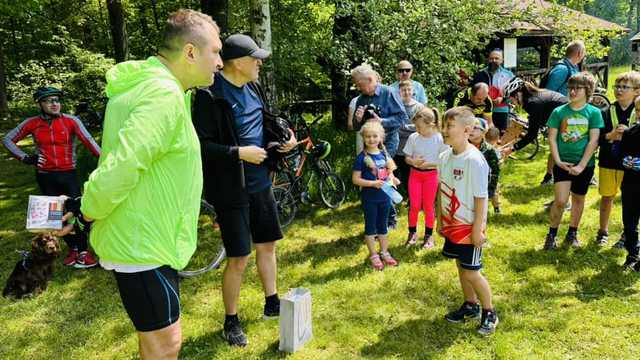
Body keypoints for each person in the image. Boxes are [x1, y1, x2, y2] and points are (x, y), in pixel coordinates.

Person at [58, 9, 223, 359]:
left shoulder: (158, 88)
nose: (220, 62)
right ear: (190, 52)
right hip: (141, 243)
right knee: (166, 345)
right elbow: (122, 165)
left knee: (154, 341)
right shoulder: (162, 95)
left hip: (148, 237)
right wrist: (84, 210)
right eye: (216, 52)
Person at [192, 34, 298, 347]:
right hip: (231, 189)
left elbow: (261, 125)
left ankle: (272, 301)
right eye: (255, 59)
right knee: (239, 257)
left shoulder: (253, 88)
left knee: (268, 246)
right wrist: (240, 153)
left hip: (261, 183)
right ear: (237, 62)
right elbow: (202, 146)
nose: (259, 64)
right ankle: (231, 321)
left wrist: (280, 143)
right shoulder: (210, 96)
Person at [3, 86, 101, 268]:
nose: (55, 104)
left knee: (76, 212)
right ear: (40, 104)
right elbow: (8, 139)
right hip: (45, 176)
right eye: (49, 101)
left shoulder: (71, 121)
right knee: (55, 216)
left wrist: (106, 161)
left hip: (68, 174)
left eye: (57, 100)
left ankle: (83, 252)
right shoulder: (32, 123)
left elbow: (90, 141)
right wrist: (24, 157)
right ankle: (72, 249)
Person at [437, 106, 497, 336]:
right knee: (461, 266)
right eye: (444, 125)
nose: (444, 130)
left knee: (472, 271)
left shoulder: (474, 160)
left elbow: (481, 198)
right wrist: (441, 220)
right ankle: (470, 305)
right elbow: (441, 191)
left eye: (449, 126)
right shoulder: (444, 157)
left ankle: (489, 312)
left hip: (469, 227)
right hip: (451, 224)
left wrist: (478, 229)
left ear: (467, 130)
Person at [543, 72, 603, 250]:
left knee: (578, 198)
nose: (573, 91)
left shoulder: (594, 113)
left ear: (588, 91)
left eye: (578, 88)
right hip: (563, 163)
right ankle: (551, 234)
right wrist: (558, 161)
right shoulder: (559, 112)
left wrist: (582, 165)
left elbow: (594, 140)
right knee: (560, 200)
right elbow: (552, 138)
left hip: (585, 164)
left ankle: (572, 233)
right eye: (570, 88)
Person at [595, 71, 640, 247]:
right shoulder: (606, 111)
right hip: (608, 161)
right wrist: (610, 135)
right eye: (617, 86)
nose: (619, 90)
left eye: (624, 87)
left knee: (631, 202)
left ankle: (626, 235)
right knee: (607, 197)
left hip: (631, 166)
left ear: (637, 91)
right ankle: (603, 231)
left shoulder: (638, 112)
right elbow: (597, 138)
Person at [352, 121, 400, 270]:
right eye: (368, 137)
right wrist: (373, 184)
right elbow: (356, 179)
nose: (371, 139)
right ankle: (374, 254)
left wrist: (393, 178)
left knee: (383, 226)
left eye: (374, 136)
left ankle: (384, 252)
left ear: (380, 138)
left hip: (385, 198)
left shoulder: (384, 155)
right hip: (370, 199)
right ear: (363, 138)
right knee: (371, 227)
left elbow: (389, 172)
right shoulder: (361, 158)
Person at [503, 78, 568, 185]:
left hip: (568, 118)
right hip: (559, 118)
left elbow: (532, 135)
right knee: (554, 148)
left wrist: (513, 148)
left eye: (511, 99)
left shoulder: (533, 103)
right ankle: (549, 177)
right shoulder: (533, 97)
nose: (512, 103)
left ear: (518, 94)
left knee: (562, 151)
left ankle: (577, 178)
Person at [403, 107, 445, 249]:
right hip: (414, 175)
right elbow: (407, 158)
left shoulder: (440, 139)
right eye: (416, 126)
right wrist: (413, 162)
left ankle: (429, 235)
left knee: (428, 206)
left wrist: (429, 164)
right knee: (414, 206)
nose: (417, 129)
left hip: (431, 176)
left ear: (431, 125)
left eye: (419, 126)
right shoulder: (413, 137)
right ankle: (412, 233)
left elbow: (444, 160)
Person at [351, 63, 408, 158]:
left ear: (370, 80)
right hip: (369, 144)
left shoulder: (389, 92)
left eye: (360, 85)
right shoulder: (361, 99)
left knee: (382, 170)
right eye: (357, 85)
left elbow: (402, 118)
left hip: (388, 143)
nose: (358, 88)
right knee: (370, 171)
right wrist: (358, 119)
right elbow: (356, 127)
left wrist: (382, 121)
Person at [471, 49, 514, 133]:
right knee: (482, 133)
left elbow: (513, 93)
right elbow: (473, 91)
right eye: (491, 58)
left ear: (502, 60)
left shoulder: (508, 75)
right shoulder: (480, 74)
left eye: (496, 58)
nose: (493, 61)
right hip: (482, 110)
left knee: (500, 135)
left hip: (501, 110)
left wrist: (503, 99)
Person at [620, 96, 640, 270]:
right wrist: (625, 161)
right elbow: (620, 153)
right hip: (631, 184)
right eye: (638, 110)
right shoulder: (630, 133)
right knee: (629, 221)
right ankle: (632, 253)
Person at [396, 80, 425, 194]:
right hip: (398, 146)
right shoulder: (396, 106)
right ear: (399, 92)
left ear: (413, 91)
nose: (406, 92)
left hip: (414, 146)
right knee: (398, 171)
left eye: (409, 90)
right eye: (403, 90)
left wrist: (404, 128)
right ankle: (398, 196)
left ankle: (412, 196)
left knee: (411, 172)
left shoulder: (419, 107)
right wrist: (408, 128)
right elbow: (395, 126)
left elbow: (420, 126)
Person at [469, 118, 501, 215]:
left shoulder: (489, 150)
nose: (471, 130)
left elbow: (495, 170)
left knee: (493, 194)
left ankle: (497, 207)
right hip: (469, 181)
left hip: (485, 181)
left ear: (483, 132)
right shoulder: (463, 147)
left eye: (475, 128)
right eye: (469, 127)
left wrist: (491, 187)